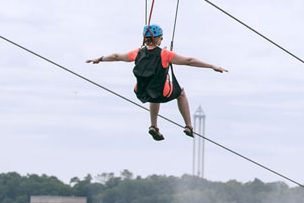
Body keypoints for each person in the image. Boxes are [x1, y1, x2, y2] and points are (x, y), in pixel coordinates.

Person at [87, 24, 227, 140]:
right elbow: (188, 61)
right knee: (181, 93)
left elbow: (117, 56)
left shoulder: (137, 52)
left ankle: (153, 125)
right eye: (161, 38)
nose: (161, 40)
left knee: (153, 91)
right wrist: (211, 66)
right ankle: (189, 126)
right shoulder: (164, 54)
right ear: (157, 39)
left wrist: (99, 59)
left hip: (141, 93)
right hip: (161, 93)